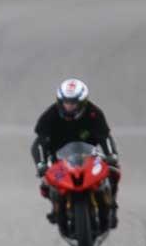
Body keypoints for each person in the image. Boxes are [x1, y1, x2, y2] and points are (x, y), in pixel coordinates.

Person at [31, 78, 120, 227]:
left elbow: (105, 137)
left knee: (114, 171)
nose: (69, 106)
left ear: (83, 102)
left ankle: (111, 203)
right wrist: (41, 164)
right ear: (60, 101)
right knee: (46, 184)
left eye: (73, 103)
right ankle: (56, 208)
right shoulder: (50, 115)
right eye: (66, 102)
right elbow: (39, 143)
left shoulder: (94, 113)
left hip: (89, 156)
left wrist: (111, 156)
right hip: (59, 160)